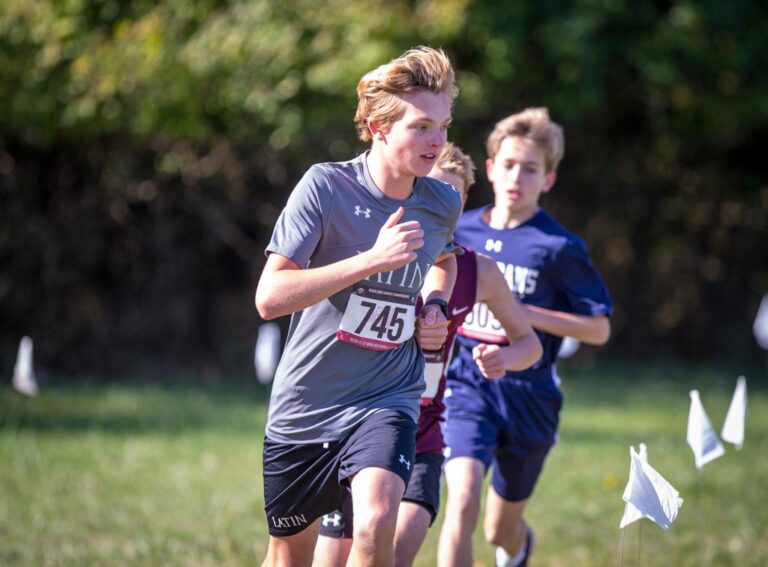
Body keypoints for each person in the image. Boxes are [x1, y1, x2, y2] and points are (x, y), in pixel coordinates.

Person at [255, 46, 463, 567]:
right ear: (377, 126)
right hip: (306, 404)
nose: (437, 141)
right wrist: (369, 261)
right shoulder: (325, 187)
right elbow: (269, 297)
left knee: (374, 521)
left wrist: (434, 305)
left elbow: (444, 259)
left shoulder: (441, 201)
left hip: (387, 395)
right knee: (289, 557)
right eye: (420, 127)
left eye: (443, 125)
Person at [313, 143, 543, 567]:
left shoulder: (479, 272)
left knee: (397, 551)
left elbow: (530, 344)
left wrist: (503, 359)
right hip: (355, 423)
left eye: (451, 197)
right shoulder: (378, 254)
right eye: (430, 191)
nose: (438, 205)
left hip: (423, 431)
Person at [438, 108, 613, 567]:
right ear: (491, 169)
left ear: (548, 180)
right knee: (461, 502)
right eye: (509, 164)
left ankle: (519, 549)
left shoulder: (559, 247)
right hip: (466, 384)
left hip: (530, 395)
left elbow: (599, 329)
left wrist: (522, 312)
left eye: (531, 168)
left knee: (499, 529)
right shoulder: (461, 229)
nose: (518, 176)